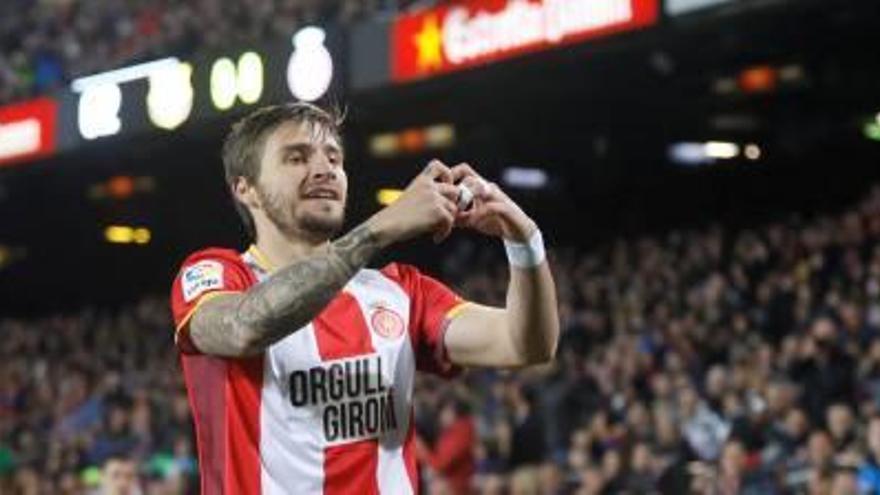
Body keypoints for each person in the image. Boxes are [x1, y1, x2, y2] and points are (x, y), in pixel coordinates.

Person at [169, 102, 559, 493]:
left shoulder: (400, 292)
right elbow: (243, 328)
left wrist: (524, 240)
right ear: (245, 188)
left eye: (333, 157)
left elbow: (526, 344)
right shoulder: (216, 275)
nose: (324, 169)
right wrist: (381, 227)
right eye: (296, 158)